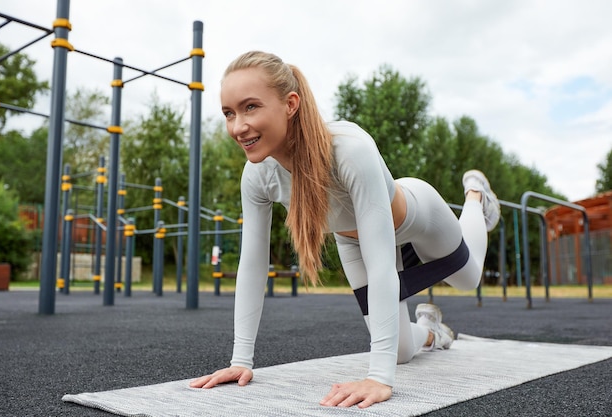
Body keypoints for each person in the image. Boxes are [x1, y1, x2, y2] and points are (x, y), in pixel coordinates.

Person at [189, 50, 500, 409]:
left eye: (250, 107)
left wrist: (379, 379)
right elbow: (253, 264)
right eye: (229, 113)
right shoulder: (258, 176)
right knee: (397, 352)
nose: (237, 126)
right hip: (353, 243)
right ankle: (432, 332)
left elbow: (383, 262)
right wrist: (240, 360)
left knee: (469, 278)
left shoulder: (350, 150)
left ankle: (476, 197)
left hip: (417, 219)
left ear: (290, 104)